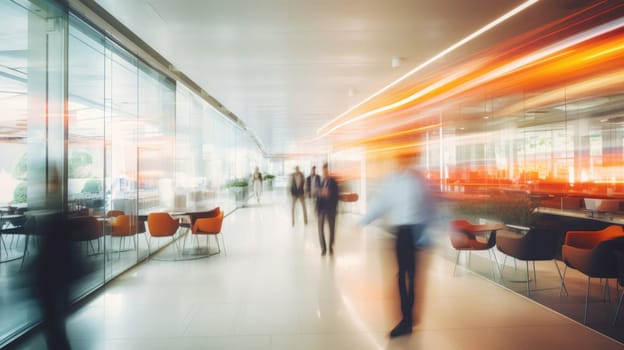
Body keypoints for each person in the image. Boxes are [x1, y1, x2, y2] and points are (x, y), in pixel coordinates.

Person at [360, 151, 434, 338]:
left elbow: (430, 206)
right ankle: (407, 318)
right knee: (404, 276)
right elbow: (381, 203)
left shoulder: (417, 181)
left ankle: (407, 319)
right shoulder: (397, 181)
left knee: (411, 277)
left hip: (414, 232)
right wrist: (364, 220)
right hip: (402, 233)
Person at [317, 163, 339, 256]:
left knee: (331, 229)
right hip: (322, 209)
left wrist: (329, 194)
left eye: (326, 171)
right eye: (323, 171)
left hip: (331, 209)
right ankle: (323, 248)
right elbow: (319, 196)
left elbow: (336, 196)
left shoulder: (333, 182)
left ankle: (330, 247)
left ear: (329, 171)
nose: (325, 173)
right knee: (320, 229)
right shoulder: (322, 182)